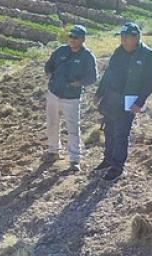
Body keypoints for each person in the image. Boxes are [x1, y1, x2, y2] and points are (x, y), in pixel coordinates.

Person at [94, 22, 152, 181]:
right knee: (109, 130)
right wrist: (99, 93)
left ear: (136, 38)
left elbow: (149, 82)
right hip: (111, 97)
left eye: (126, 37)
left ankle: (117, 167)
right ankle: (108, 159)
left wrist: (139, 102)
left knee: (121, 133)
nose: (123, 40)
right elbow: (108, 74)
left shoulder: (147, 55)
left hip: (130, 99)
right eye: (122, 36)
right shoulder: (118, 52)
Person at [44, 24, 98, 172]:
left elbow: (93, 77)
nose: (72, 39)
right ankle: (53, 151)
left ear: (83, 39)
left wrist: (79, 83)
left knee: (73, 128)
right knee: (52, 123)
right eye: (70, 36)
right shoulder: (60, 50)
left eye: (76, 37)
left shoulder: (87, 56)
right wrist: (50, 74)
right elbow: (48, 65)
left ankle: (74, 159)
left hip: (71, 97)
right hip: (54, 94)